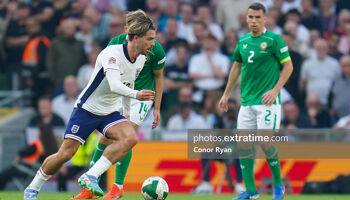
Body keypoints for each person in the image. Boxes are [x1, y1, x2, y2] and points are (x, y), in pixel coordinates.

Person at [23, 9, 156, 200]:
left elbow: (128, 84)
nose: (153, 44)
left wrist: (126, 112)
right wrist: (137, 95)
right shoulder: (111, 54)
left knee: (130, 139)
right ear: (135, 38)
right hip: (87, 109)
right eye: (149, 39)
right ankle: (32, 188)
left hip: (110, 111)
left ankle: (90, 175)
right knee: (65, 154)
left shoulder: (141, 59)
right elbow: (114, 84)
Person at [73, 10, 166, 199]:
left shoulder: (155, 48)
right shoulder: (115, 43)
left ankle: (117, 187)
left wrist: (156, 107)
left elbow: (159, 77)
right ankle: (90, 188)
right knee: (104, 140)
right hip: (120, 93)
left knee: (126, 136)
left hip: (142, 97)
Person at [218, 3, 293, 200]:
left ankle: (278, 185)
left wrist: (275, 90)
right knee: (243, 144)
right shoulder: (242, 41)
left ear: (265, 19)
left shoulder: (274, 40)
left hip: (268, 102)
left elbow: (288, 67)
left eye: (257, 17)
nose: (253, 21)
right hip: (247, 102)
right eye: (250, 17)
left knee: (264, 141)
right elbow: (236, 67)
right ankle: (251, 191)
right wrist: (226, 94)